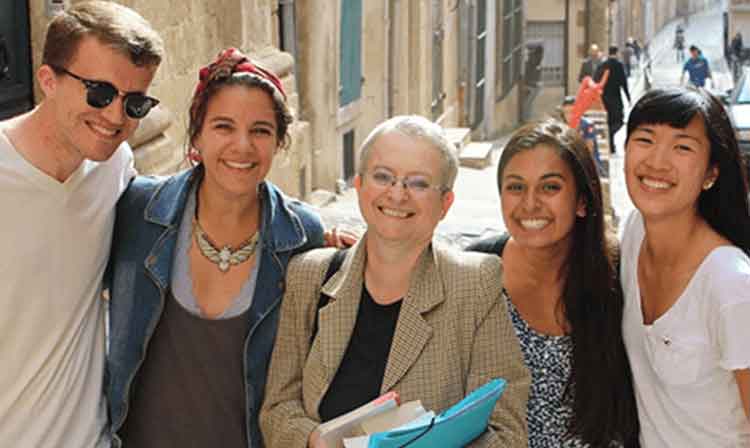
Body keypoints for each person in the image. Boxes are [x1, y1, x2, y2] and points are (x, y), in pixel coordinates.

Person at [260, 115, 530, 448]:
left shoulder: (475, 285)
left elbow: (507, 434)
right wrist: (315, 440)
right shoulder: (310, 275)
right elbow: (277, 409)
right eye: (383, 177)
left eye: (417, 183)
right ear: (359, 186)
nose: (397, 194)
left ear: (445, 203)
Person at [106, 48, 326, 448]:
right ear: (197, 136)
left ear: (278, 142)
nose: (242, 146)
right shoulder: (139, 211)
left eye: (260, 130)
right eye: (224, 126)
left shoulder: (301, 235)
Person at [0, 2, 163, 446]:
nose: (114, 118)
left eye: (135, 102)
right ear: (48, 80)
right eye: (99, 93)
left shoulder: (114, 166)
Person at [466, 120, 640, 447]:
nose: (530, 203)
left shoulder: (620, 273)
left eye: (550, 187)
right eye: (516, 187)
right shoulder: (476, 273)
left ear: (582, 201)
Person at [621, 87, 750, 447]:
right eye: (645, 139)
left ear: (711, 173)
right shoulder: (634, 233)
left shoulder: (731, 286)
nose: (657, 162)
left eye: (682, 147)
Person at [595, 46, 631, 155]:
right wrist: (628, 97)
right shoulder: (619, 65)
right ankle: (611, 141)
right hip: (616, 98)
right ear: (617, 52)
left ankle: (610, 142)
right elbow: (623, 82)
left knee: (608, 121)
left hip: (604, 98)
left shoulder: (602, 65)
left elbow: (596, 80)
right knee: (618, 120)